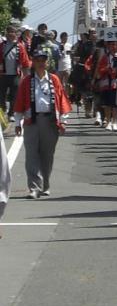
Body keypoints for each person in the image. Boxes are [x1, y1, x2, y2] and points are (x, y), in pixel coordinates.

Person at [14, 49, 72, 199]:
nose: (40, 63)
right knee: (31, 155)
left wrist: (64, 121)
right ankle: (34, 187)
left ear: (47, 63)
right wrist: (17, 123)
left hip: (50, 121)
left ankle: (45, 184)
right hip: (31, 121)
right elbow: (19, 101)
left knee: (47, 155)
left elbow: (62, 100)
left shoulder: (54, 79)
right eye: (37, 60)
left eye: (43, 60)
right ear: (33, 62)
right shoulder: (27, 81)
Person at [0, 25, 31, 121]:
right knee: (1, 95)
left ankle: (11, 113)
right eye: (9, 32)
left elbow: (25, 62)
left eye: (13, 32)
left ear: (16, 34)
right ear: (6, 33)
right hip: (2, 74)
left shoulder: (20, 46)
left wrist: (26, 77)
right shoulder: (2, 45)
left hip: (15, 75)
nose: (11, 34)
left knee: (14, 95)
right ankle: (2, 111)